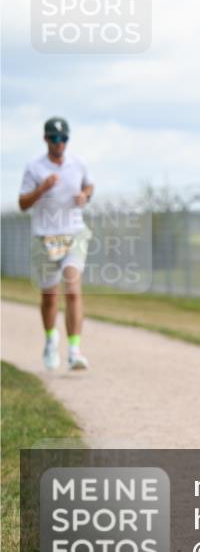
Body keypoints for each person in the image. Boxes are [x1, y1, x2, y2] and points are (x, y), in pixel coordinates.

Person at [18, 117, 94, 371]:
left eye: (63, 139)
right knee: (50, 296)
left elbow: (89, 185)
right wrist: (42, 188)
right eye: (54, 138)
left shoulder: (78, 163)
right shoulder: (34, 168)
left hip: (74, 233)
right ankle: (51, 339)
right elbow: (22, 204)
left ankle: (74, 350)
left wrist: (85, 196)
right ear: (46, 139)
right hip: (46, 237)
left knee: (72, 288)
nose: (59, 143)